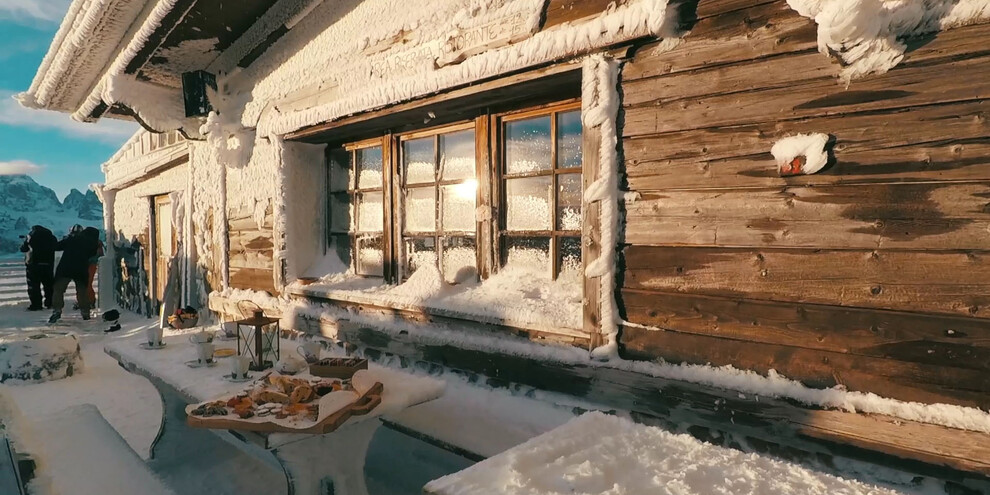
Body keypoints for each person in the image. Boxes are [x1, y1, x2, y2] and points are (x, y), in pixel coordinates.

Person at [48, 225, 99, 324]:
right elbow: (92, 253)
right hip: (81, 269)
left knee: (58, 290)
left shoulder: (70, 240)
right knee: (82, 292)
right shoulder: (90, 242)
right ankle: (85, 312)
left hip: (65, 268)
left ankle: (57, 310)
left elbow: (56, 246)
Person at [19, 225, 57, 311]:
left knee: (34, 286)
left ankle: (36, 305)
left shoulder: (31, 236)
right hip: (48, 265)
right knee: (49, 285)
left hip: (34, 265)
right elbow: (56, 247)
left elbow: (23, 249)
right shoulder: (51, 237)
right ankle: (50, 303)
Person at [82, 227, 104, 310]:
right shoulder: (97, 243)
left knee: (86, 283)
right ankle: (88, 300)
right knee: (87, 283)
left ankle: (89, 301)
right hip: (91, 265)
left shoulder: (93, 243)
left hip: (89, 265)